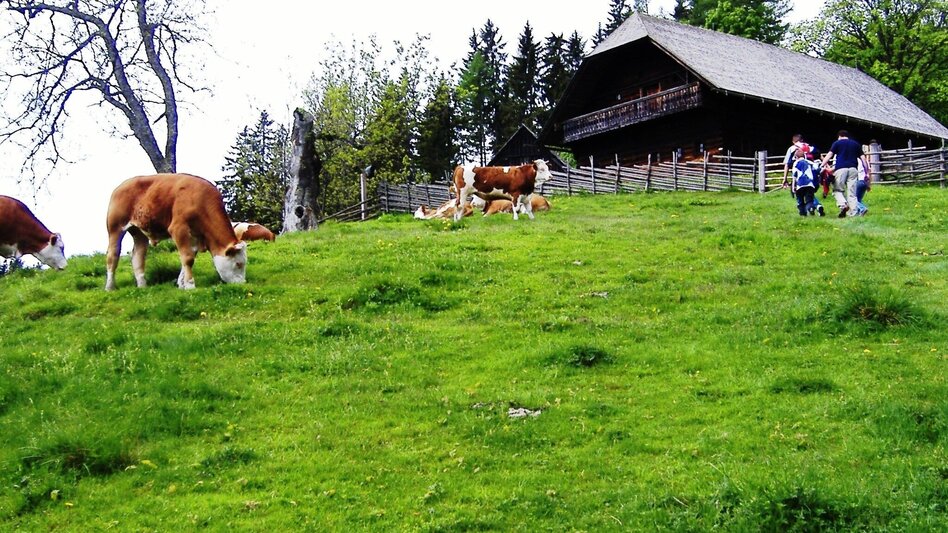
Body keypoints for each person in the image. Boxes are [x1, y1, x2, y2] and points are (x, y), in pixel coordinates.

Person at [821, 130, 868, 218]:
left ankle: (843, 205)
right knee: (852, 193)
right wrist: (866, 172)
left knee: (837, 190)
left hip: (841, 169)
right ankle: (853, 214)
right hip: (853, 169)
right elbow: (863, 159)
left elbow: (829, 155)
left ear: (839, 136)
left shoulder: (837, 143)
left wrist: (822, 165)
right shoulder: (856, 144)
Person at [791, 149, 822, 216]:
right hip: (809, 184)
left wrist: (793, 186)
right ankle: (810, 208)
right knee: (809, 199)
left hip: (800, 185)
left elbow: (794, 175)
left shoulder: (795, 163)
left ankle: (803, 213)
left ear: (796, 157)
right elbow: (818, 169)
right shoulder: (809, 162)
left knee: (800, 200)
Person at [854, 149, 871, 215]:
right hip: (865, 182)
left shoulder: (856, 160)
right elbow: (869, 173)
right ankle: (859, 212)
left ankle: (862, 208)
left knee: (852, 198)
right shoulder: (866, 161)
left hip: (859, 181)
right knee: (859, 199)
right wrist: (869, 185)